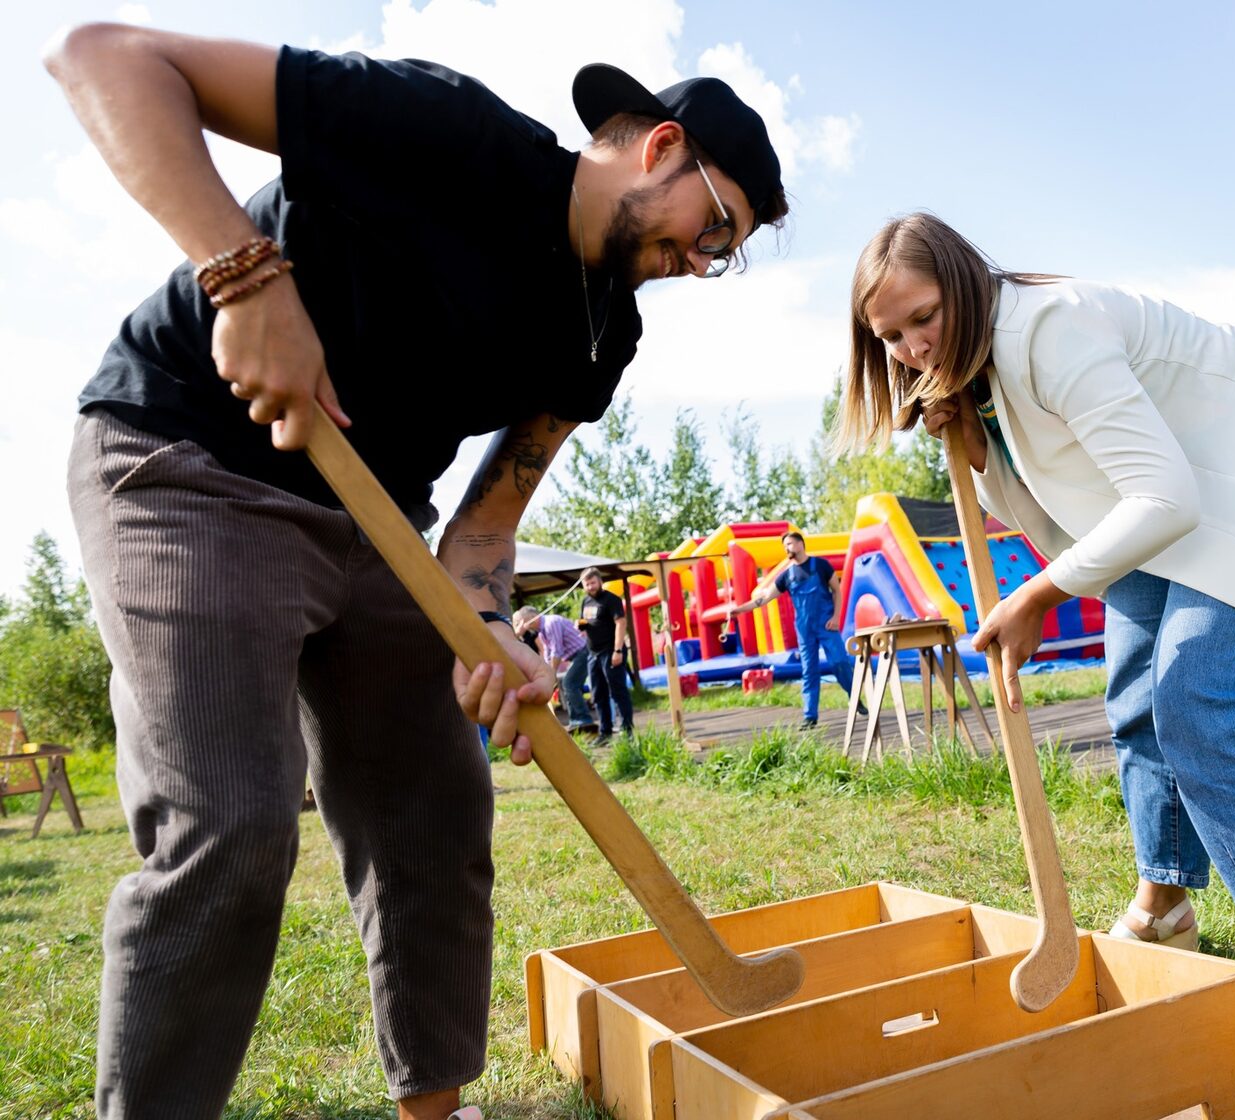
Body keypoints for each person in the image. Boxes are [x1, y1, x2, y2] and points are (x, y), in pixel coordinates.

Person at [48, 22, 786, 1120]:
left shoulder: (602, 332)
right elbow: (103, 57)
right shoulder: (448, 134)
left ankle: (434, 1109)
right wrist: (247, 281)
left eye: (721, 256)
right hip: (190, 464)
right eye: (713, 225)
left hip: (376, 514)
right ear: (661, 146)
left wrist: (487, 626)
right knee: (234, 827)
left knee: (435, 808)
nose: (701, 260)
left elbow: (486, 533)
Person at [841, 213, 1235, 986]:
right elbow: (1047, 501)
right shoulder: (982, 366)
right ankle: (1163, 906)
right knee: (1137, 701)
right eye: (891, 337)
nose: (912, 349)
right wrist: (973, 437)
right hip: (1149, 501)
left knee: (1197, 698)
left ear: (963, 283)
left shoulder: (1052, 330)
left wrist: (1038, 595)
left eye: (923, 318)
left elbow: (1167, 497)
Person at [728, 531, 854, 728]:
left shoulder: (821, 565)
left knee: (840, 661)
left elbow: (837, 591)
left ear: (801, 544)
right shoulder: (786, 576)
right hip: (804, 630)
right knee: (809, 670)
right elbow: (764, 599)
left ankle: (854, 697)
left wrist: (836, 617)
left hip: (827, 624)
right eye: (785, 546)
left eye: (790, 544)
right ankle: (810, 716)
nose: (787, 548)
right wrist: (739, 609)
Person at [516, 606, 595, 733]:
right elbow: (548, 653)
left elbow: (557, 651)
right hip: (576, 656)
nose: (523, 626)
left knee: (569, 684)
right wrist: (546, 673)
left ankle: (584, 719)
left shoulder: (551, 623)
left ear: (531, 618)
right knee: (567, 685)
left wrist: (551, 674)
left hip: (583, 653)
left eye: (523, 621)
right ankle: (575, 720)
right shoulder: (542, 632)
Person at [578, 569, 636, 738]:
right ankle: (605, 732)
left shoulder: (611, 600)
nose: (590, 587)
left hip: (611, 651)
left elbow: (621, 623)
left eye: (593, 583)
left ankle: (627, 730)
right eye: (587, 584)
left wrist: (617, 650)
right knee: (597, 693)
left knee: (617, 691)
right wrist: (580, 625)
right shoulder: (585, 601)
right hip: (592, 653)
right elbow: (586, 622)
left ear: (600, 582)